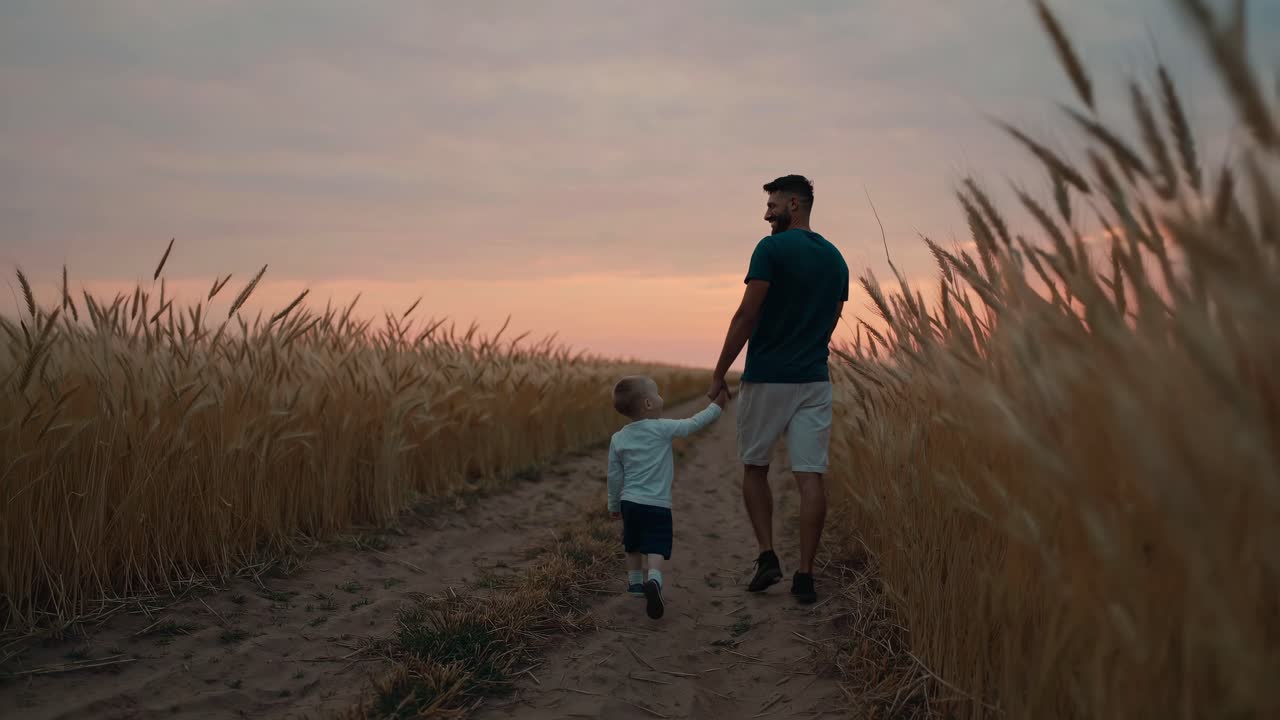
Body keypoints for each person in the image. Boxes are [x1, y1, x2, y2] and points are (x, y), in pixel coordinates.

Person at [706, 174, 849, 604]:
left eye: (772, 205)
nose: (766, 214)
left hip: (769, 376)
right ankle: (805, 575)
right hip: (814, 380)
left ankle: (767, 555)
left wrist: (719, 373)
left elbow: (746, 316)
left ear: (794, 204)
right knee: (811, 477)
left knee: (755, 466)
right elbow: (832, 317)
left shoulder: (770, 250)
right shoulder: (836, 259)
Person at [607, 375, 728, 619]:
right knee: (656, 544)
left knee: (632, 543)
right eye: (658, 393)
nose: (661, 397)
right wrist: (718, 405)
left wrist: (614, 504)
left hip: (630, 502)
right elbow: (694, 423)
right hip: (657, 504)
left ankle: (635, 584)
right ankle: (654, 578)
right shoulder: (662, 428)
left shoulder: (618, 438)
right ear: (649, 404)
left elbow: (614, 476)